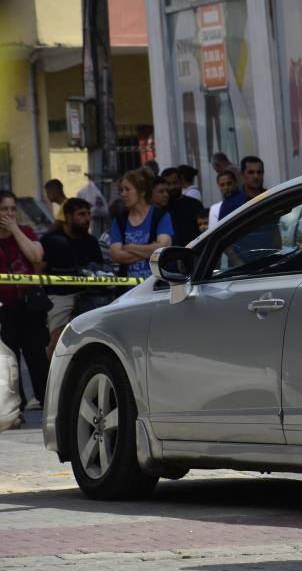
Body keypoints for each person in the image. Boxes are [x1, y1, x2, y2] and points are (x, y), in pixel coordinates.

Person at [0, 190, 49, 413]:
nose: (9, 214)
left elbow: (36, 257)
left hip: (29, 307)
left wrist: (15, 230)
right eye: (4, 209)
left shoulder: (25, 231)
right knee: (9, 361)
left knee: (37, 356)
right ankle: (14, 409)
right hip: (5, 309)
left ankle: (45, 400)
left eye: (12, 209)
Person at [39, 198, 103, 357]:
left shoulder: (92, 242)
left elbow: (101, 270)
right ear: (68, 217)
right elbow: (38, 269)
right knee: (57, 342)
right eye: (81, 214)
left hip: (89, 295)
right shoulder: (50, 239)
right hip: (59, 296)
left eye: (88, 214)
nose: (87, 218)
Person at [109, 170, 173, 279]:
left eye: (127, 189)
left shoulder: (160, 216)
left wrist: (128, 247)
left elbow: (162, 249)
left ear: (142, 192)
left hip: (155, 287)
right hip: (128, 291)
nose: (123, 194)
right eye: (121, 190)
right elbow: (115, 255)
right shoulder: (119, 221)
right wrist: (150, 250)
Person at [160, 167, 203, 247]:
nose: (172, 187)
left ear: (181, 182)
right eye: (168, 184)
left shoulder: (194, 204)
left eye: (175, 183)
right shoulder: (161, 208)